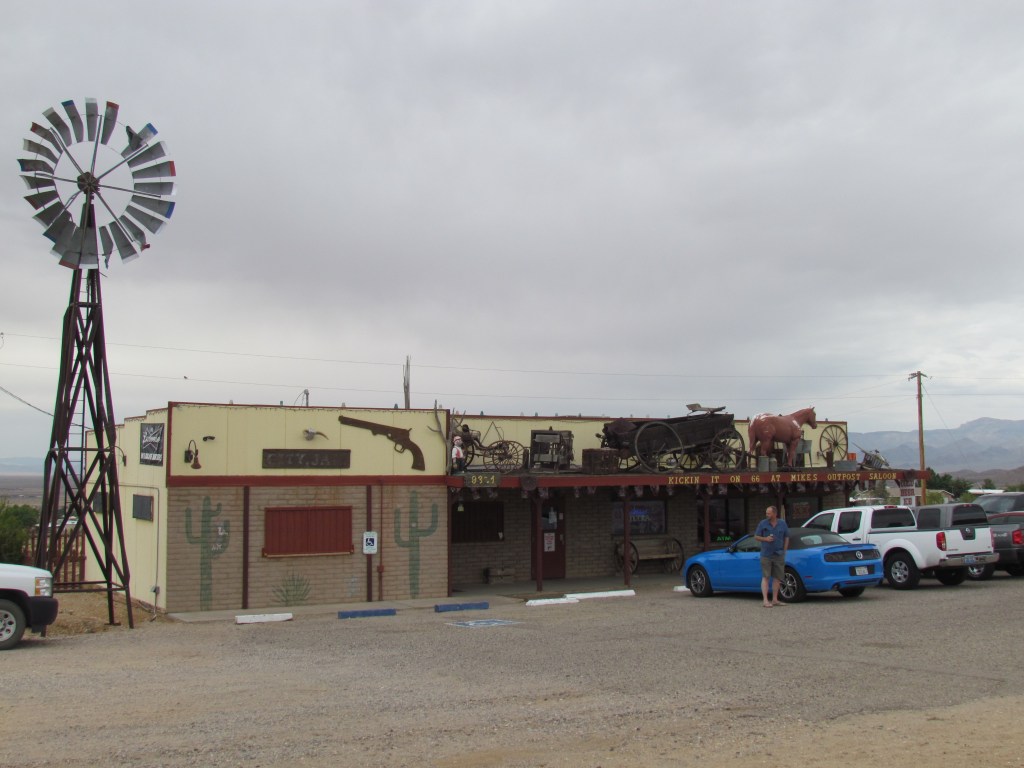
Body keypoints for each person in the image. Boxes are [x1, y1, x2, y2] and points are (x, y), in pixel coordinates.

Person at [754, 505, 789, 607]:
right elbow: (756, 536)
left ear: (774, 513)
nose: (767, 515)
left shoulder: (782, 523)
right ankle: (765, 600)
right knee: (766, 576)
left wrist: (785, 551)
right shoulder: (763, 523)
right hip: (766, 554)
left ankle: (775, 599)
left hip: (778, 554)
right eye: (766, 513)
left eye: (769, 513)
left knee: (777, 577)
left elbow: (787, 537)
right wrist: (765, 539)